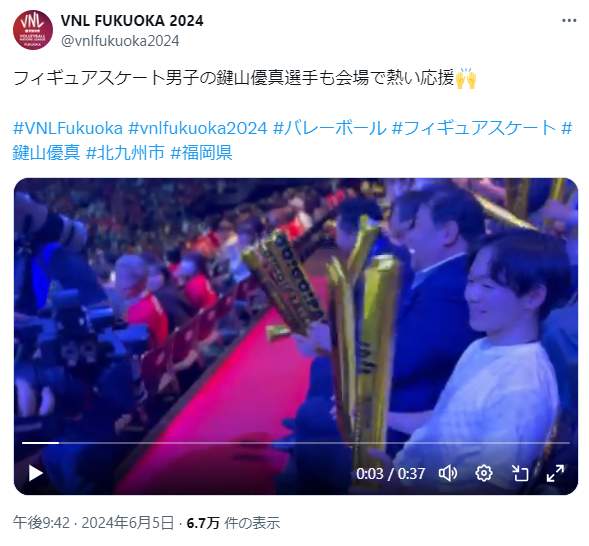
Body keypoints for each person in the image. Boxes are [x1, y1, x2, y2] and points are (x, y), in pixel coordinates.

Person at [384, 229, 571, 493]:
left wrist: (399, 489)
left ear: (533, 296)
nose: (471, 295)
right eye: (471, 281)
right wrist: (379, 417)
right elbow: (445, 422)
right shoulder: (481, 346)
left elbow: (493, 489)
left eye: (487, 286)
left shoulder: (524, 382)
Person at [115, 254, 169, 348]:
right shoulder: (149, 298)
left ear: (127, 287)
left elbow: (128, 346)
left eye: (118, 278)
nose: (116, 284)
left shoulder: (140, 312)